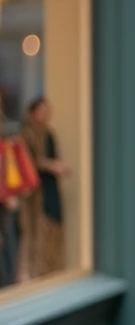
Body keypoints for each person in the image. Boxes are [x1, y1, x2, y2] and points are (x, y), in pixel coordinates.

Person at [20, 97, 68, 280]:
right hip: (34, 194)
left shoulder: (49, 133)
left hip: (50, 187)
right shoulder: (26, 134)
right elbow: (28, 161)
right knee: (34, 233)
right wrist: (50, 166)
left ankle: (52, 272)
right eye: (42, 110)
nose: (46, 114)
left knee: (54, 228)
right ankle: (33, 274)